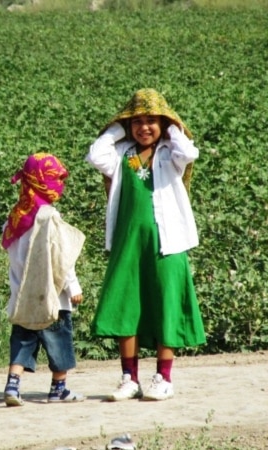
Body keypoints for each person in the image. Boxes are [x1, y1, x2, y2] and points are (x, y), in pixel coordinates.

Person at [85, 88, 206, 402]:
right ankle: (129, 378)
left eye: (152, 120)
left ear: (163, 124)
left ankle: (163, 378)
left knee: (166, 304)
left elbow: (190, 152)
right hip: (129, 245)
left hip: (168, 244)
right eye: (136, 121)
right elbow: (95, 155)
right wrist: (115, 129)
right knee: (128, 306)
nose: (144, 127)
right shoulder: (121, 154)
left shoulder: (170, 153)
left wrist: (173, 128)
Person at [0, 153, 86, 407]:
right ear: (40, 181)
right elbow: (59, 257)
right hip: (53, 295)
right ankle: (58, 389)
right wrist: (73, 286)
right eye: (54, 178)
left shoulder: (15, 217)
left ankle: (13, 386)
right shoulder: (48, 216)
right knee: (58, 339)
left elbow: (15, 257)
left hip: (23, 295)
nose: (59, 184)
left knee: (23, 338)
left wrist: (17, 290)